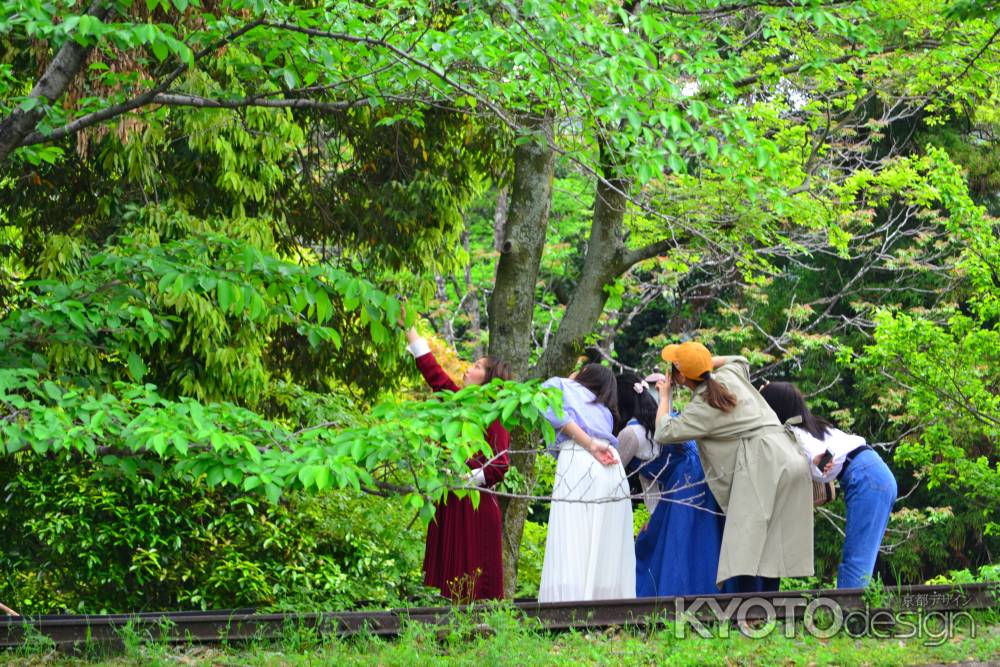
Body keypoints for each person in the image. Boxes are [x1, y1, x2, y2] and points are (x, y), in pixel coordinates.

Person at [653, 342, 814, 592]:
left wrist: (664, 396)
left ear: (682, 376)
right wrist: (703, 363)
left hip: (762, 464)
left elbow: (663, 431)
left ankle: (751, 612)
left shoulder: (700, 408)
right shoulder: (730, 375)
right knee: (773, 542)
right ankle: (767, 608)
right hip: (789, 454)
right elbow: (739, 357)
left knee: (747, 545)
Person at [405, 323, 512, 601]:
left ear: (490, 379)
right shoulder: (458, 404)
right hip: (452, 499)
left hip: (473, 505)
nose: (468, 368)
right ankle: (453, 634)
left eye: (477, 366)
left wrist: (462, 479)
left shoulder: (494, 414)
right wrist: (409, 329)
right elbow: (435, 375)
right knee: (451, 585)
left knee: (473, 585)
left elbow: (500, 465)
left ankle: (474, 635)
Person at [759, 381, 897, 589]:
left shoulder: (796, 433)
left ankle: (850, 616)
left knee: (856, 560)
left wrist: (820, 462)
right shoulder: (812, 425)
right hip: (873, 473)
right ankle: (858, 612)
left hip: (866, 479)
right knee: (863, 556)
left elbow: (818, 454)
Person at [615, 371, 735, 597]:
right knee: (702, 544)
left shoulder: (630, 433)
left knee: (676, 547)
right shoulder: (665, 418)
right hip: (703, 479)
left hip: (682, 488)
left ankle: (673, 600)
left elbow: (614, 475)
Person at [538, 364, 636, 602]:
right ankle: (610, 604)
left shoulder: (559, 385)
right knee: (608, 539)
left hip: (581, 458)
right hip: (611, 466)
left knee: (572, 534)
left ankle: (567, 603)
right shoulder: (603, 410)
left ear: (583, 374)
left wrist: (588, 443)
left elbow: (546, 405)